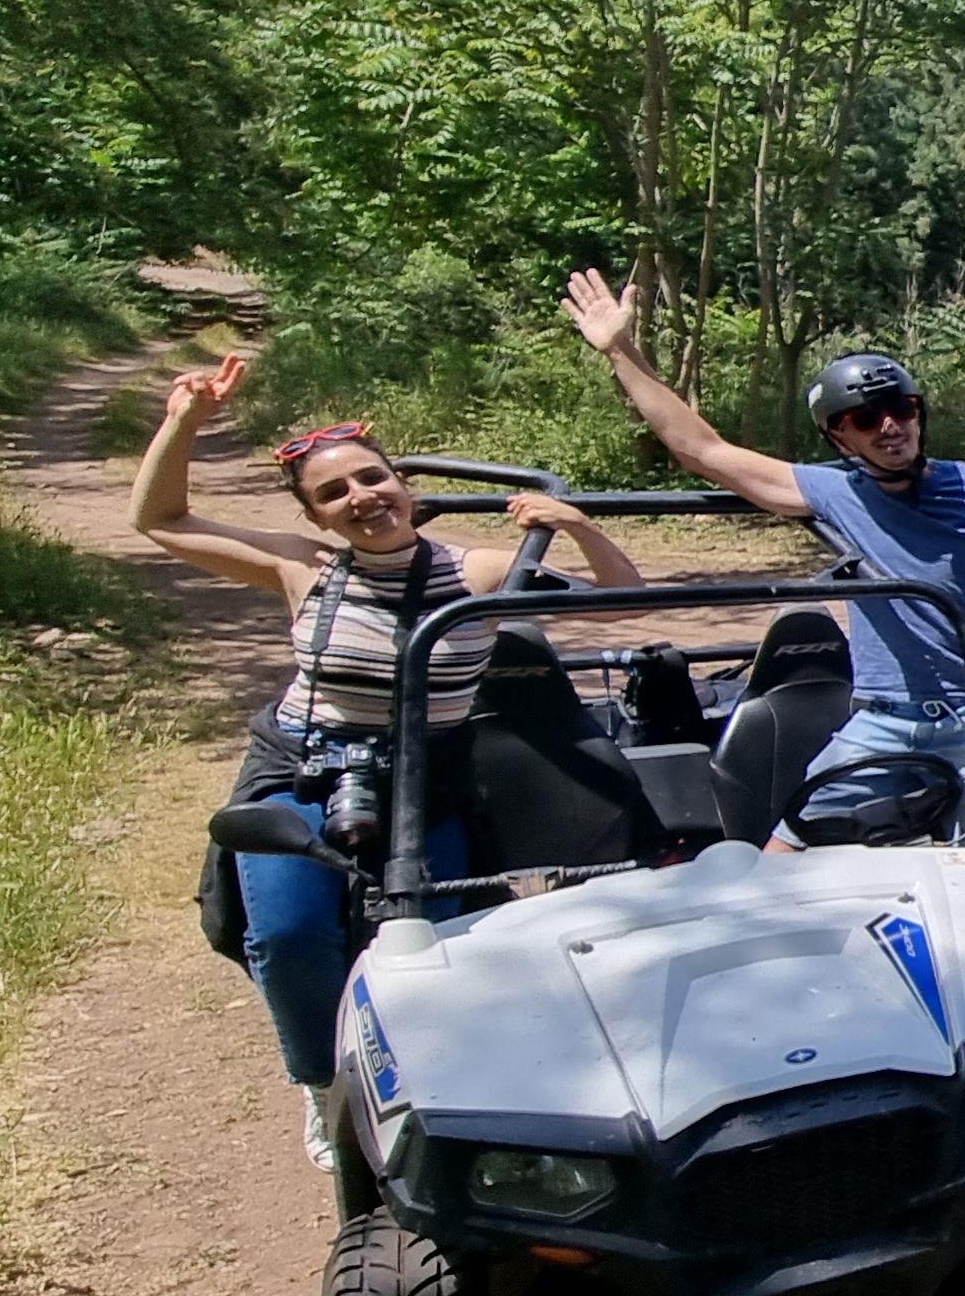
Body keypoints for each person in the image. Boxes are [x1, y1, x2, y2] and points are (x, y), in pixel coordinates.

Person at [132, 369, 645, 1171]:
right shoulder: (305, 570)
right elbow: (158, 519)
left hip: (426, 777)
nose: (362, 498)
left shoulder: (474, 572)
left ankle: (436, 1086)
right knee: (293, 934)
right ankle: (320, 1082)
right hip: (305, 770)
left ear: (402, 484)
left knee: (429, 944)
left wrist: (576, 527)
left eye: (372, 477)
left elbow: (623, 600)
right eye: (334, 493)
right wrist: (185, 419)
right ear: (314, 517)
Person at [561, 270, 965, 845]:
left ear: (920, 413)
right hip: (881, 723)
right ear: (840, 436)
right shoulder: (834, 491)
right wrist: (622, 351)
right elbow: (700, 448)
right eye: (866, 418)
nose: (889, 427)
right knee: (781, 857)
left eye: (901, 409)